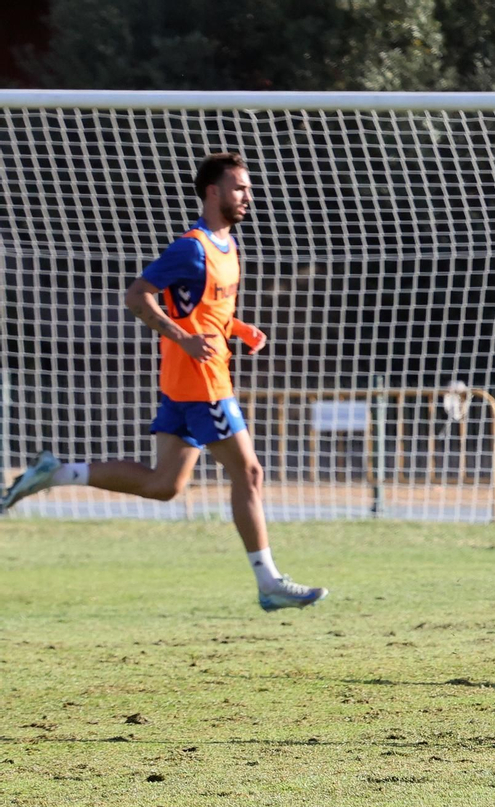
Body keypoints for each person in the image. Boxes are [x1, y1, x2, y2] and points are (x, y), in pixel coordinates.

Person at [0, 152, 327, 613]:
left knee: (164, 485)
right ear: (213, 192)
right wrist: (184, 339)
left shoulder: (227, 247)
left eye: (248, 187)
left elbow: (206, 312)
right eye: (238, 187)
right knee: (249, 473)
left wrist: (239, 329)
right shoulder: (192, 248)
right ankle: (269, 581)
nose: (247, 195)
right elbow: (137, 296)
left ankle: (58, 472)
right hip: (203, 383)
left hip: (186, 382)